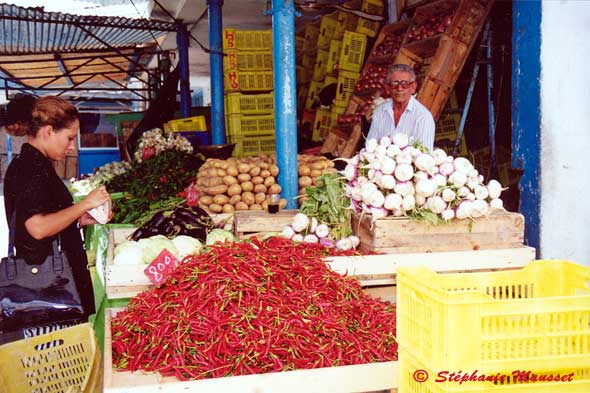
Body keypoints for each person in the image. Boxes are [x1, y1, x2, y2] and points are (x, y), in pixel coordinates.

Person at [3, 95, 112, 322]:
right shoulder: (30, 169)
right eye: (70, 138)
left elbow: (48, 218)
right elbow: (38, 228)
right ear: (49, 131)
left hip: (55, 282)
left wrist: (80, 218)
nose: (71, 146)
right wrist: (86, 203)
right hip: (50, 287)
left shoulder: (37, 164)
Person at [367, 64, 435, 150]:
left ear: (413, 87)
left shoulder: (423, 117)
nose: (399, 88)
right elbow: (370, 146)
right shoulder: (380, 112)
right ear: (388, 87)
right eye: (394, 84)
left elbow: (425, 156)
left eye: (405, 84)